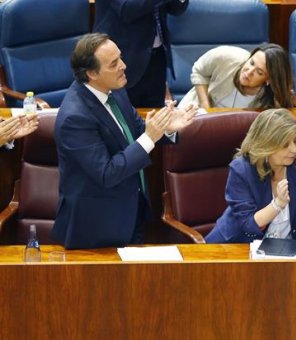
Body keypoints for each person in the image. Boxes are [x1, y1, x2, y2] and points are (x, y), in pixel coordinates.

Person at [51, 33, 197, 249]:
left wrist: (165, 128)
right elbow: (107, 173)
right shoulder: (75, 117)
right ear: (92, 73)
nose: (124, 65)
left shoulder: (115, 91)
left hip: (131, 211)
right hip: (97, 228)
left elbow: (137, 130)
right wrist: (150, 136)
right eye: (114, 63)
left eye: (120, 57)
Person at [205, 108, 296, 243]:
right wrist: (278, 204)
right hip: (239, 246)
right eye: (285, 145)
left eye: (295, 142)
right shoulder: (242, 170)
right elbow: (248, 225)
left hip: (287, 248)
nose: (294, 150)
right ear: (265, 146)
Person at [93, 0, 189, 108]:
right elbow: (127, 9)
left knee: (156, 116)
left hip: (156, 55)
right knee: (122, 118)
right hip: (121, 58)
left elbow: (175, 9)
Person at [178, 44, 295, 110]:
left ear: (269, 80)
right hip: (197, 110)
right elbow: (199, 71)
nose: (249, 72)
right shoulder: (226, 56)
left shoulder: (270, 97)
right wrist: (206, 107)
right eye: (251, 63)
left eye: (259, 72)